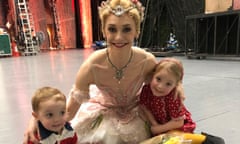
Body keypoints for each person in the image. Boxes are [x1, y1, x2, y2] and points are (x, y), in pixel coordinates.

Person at [23, 0, 184, 143]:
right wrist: (37, 119)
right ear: (104, 31)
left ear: (137, 31)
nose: (119, 37)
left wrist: (178, 86)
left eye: (127, 29)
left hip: (136, 114)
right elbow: (69, 111)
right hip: (104, 113)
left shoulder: (146, 61)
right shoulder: (92, 66)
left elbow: (163, 80)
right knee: (108, 137)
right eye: (112, 29)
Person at [139, 58, 225, 144]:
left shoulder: (174, 96)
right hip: (161, 125)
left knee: (172, 139)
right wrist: (154, 124)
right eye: (158, 79)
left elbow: (178, 122)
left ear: (175, 85)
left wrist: (159, 128)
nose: (160, 86)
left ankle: (207, 140)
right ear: (153, 75)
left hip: (175, 127)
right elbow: (144, 106)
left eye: (168, 84)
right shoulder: (146, 89)